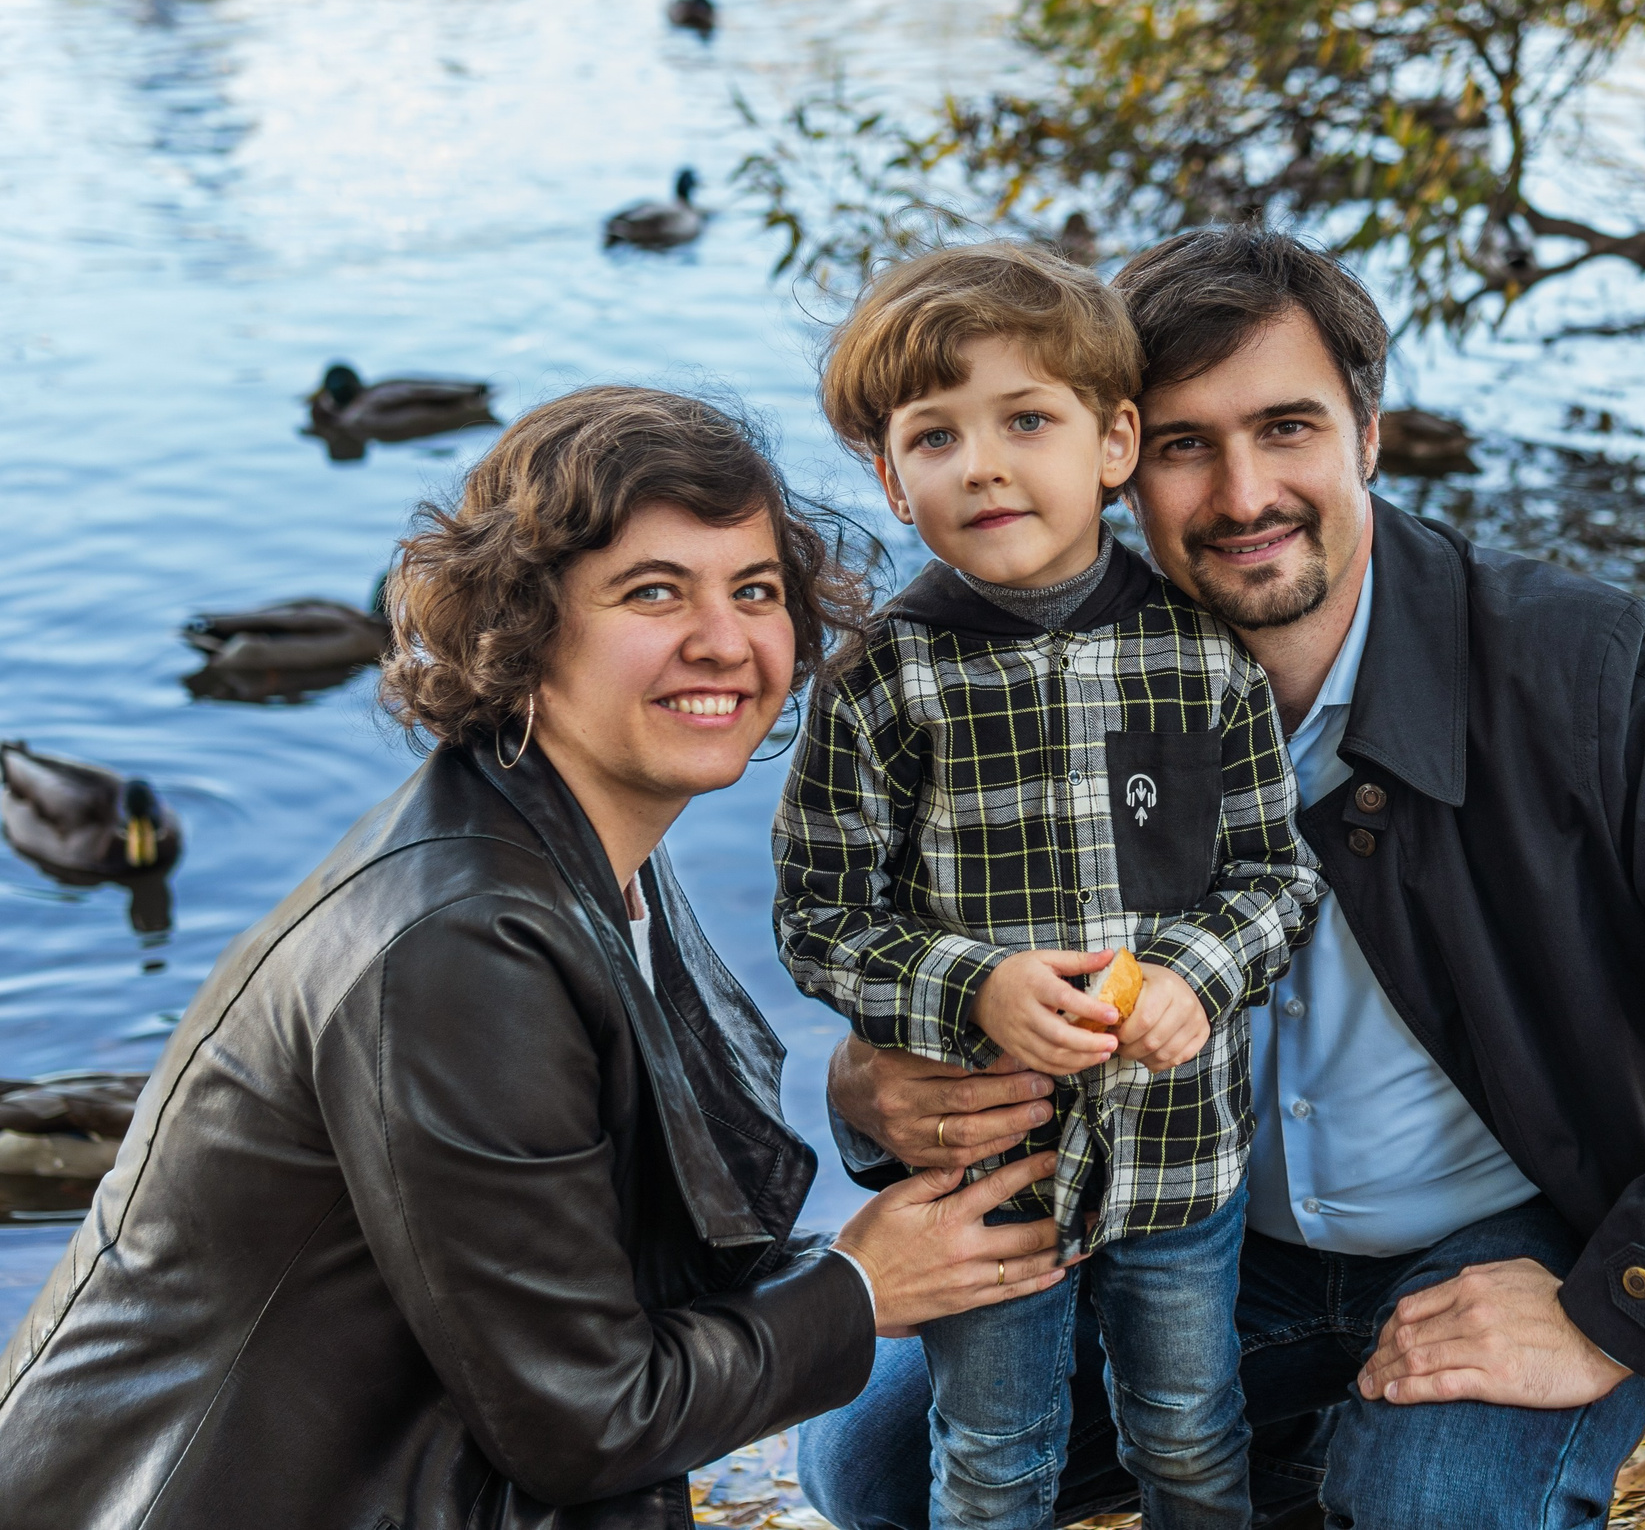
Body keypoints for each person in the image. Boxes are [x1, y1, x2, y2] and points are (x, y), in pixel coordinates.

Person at [798, 229, 1645, 1530]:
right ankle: (1303, 1454)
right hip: (1203, 1234)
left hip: (1501, 1226)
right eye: (1185, 444)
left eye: (1287, 427)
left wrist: (1625, 1302)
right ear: (1117, 461)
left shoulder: (1565, 657)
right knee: (867, 1456)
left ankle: (1384, 1458)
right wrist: (863, 1082)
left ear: (1369, 434)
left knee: (1428, 1508)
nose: (1243, 492)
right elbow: (909, 923)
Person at [0, 388, 1070, 1530]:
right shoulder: (459, 946)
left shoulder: (581, 844)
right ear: (522, 629)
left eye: (754, 591)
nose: (725, 638)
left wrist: (867, 1136)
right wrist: (857, 1289)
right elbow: (587, 1423)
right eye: (653, 592)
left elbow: (606, 1264)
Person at [775, 242, 1325, 1530]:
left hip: (1180, 1153)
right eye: (935, 436)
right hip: (994, 1177)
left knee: (1190, 1435)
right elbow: (818, 918)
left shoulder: (1201, 653)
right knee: (993, 1457)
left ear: (1114, 440)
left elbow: (1272, 873)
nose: (984, 464)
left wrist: (1194, 972)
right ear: (888, 478)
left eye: (1027, 419)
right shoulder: (882, 680)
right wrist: (974, 986)